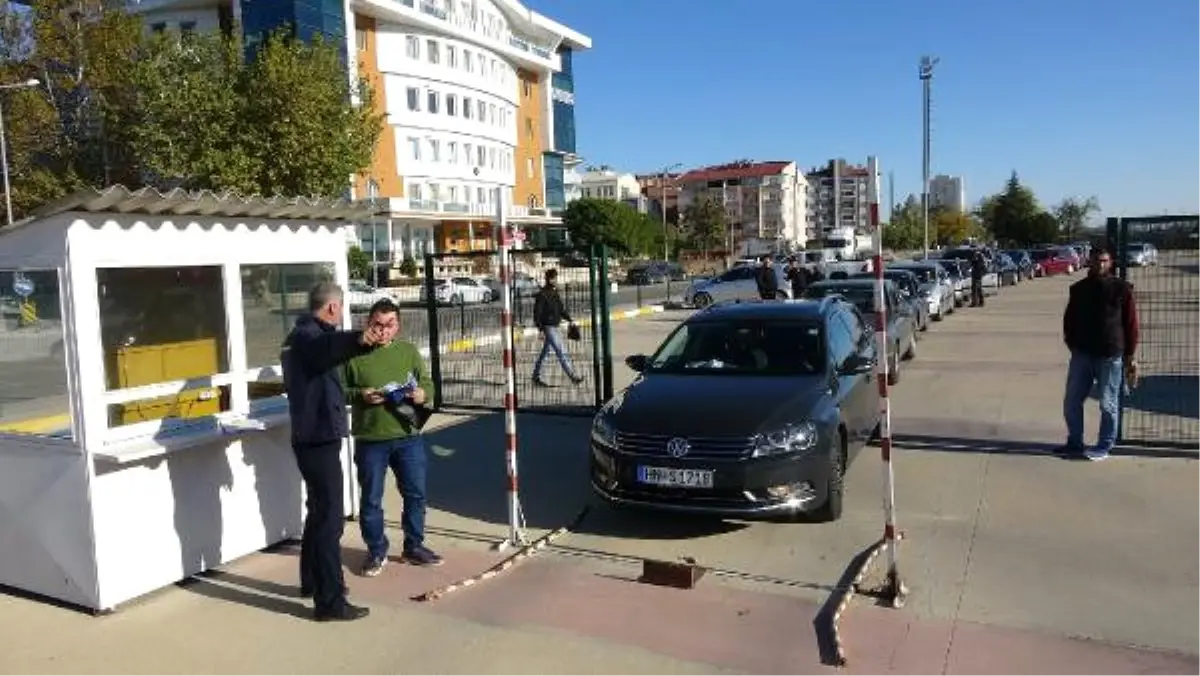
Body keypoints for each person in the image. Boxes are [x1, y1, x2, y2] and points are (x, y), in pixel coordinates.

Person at [282, 282, 385, 622]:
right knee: (330, 520)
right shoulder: (307, 337)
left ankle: (312, 582)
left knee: (318, 513)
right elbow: (326, 348)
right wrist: (358, 339)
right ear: (331, 308)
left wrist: (359, 345)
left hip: (314, 437)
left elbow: (330, 350)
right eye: (340, 309)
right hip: (317, 439)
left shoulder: (304, 335)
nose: (341, 315)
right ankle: (330, 601)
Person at [343, 299, 442, 577]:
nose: (384, 330)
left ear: (398, 326)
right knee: (371, 499)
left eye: (390, 325)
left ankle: (414, 546)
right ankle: (376, 551)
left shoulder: (408, 352)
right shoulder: (353, 356)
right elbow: (339, 390)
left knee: (416, 494)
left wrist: (423, 393)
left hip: (408, 437)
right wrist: (360, 395)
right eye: (378, 324)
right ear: (368, 324)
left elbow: (427, 383)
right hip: (370, 438)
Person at [1059, 246, 1139, 462]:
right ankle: (1075, 441)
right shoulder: (1078, 289)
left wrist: (1130, 355)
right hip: (1082, 354)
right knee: (1072, 401)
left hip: (1110, 354)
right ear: (1089, 261)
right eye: (1096, 260)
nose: (1099, 264)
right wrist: (1073, 343)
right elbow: (1069, 321)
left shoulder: (1122, 289)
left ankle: (1104, 444)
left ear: (1110, 262)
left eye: (1104, 260)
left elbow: (1131, 324)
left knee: (1108, 403)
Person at [532, 268, 584, 386]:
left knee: (545, 353)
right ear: (550, 279)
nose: (556, 280)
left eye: (556, 278)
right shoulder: (543, 294)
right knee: (562, 351)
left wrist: (570, 320)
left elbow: (561, 310)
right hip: (548, 327)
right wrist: (540, 329)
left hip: (555, 326)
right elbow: (537, 313)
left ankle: (536, 376)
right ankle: (573, 376)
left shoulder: (554, 293)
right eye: (555, 278)